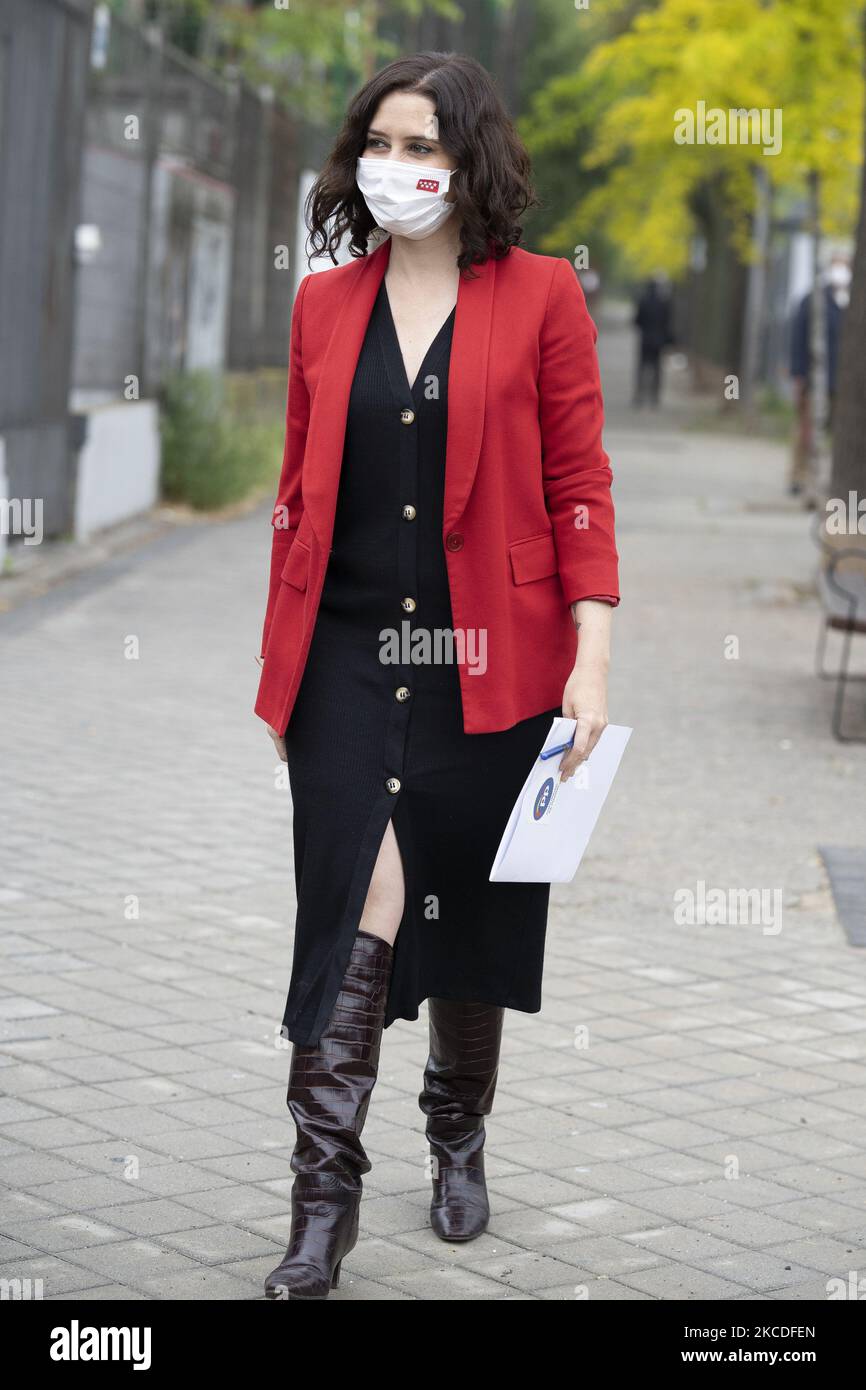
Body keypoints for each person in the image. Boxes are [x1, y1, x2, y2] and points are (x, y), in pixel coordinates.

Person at [254, 51, 620, 1301]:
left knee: (466, 917)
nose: (398, 169)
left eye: (425, 148)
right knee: (354, 908)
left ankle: (456, 1129)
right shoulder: (322, 306)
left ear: (472, 164)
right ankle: (320, 1204)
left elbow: (578, 487)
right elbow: (295, 500)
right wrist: (280, 675)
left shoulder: (541, 296)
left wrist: (592, 657)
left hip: (494, 661)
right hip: (348, 663)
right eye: (380, 144)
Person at [789, 255, 851, 497]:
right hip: (816, 378)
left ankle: (830, 479)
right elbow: (798, 338)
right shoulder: (813, 301)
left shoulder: (852, 302)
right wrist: (799, 374)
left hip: (843, 382)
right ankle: (799, 475)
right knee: (806, 430)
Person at [633, 275, 674, 406]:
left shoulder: (643, 301)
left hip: (645, 339)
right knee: (657, 368)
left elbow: (637, 321)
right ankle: (654, 397)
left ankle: (639, 395)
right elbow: (667, 322)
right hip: (658, 339)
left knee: (642, 367)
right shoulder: (664, 303)